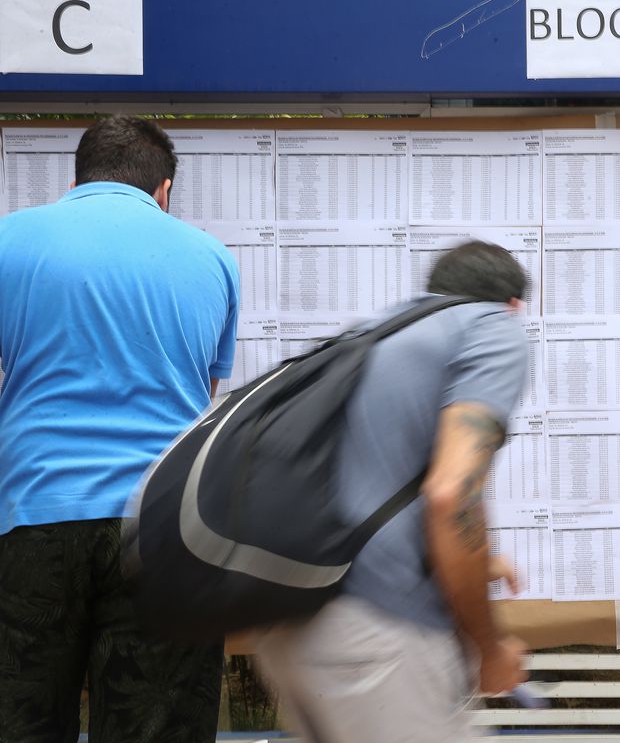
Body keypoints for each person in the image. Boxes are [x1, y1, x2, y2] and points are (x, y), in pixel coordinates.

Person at [0, 116, 240, 742]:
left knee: (19, 722)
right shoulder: (212, 258)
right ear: (163, 190)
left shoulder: (9, 240)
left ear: (76, 180)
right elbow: (203, 392)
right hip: (164, 528)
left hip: (32, 515)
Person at [254, 240, 531, 743]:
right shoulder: (493, 328)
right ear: (512, 305)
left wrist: (477, 561)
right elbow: (451, 497)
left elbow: (363, 486)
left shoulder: (373, 336)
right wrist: (489, 648)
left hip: (290, 624)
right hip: (377, 635)